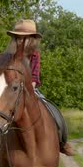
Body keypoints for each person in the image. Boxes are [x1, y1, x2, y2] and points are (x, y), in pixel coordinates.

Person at [6, 19, 75, 156]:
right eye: (18, 37)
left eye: (24, 37)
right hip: (10, 90)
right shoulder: (9, 56)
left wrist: (27, 90)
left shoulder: (35, 55)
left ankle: (61, 141)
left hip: (30, 90)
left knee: (52, 110)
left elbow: (34, 77)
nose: (20, 40)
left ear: (31, 39)